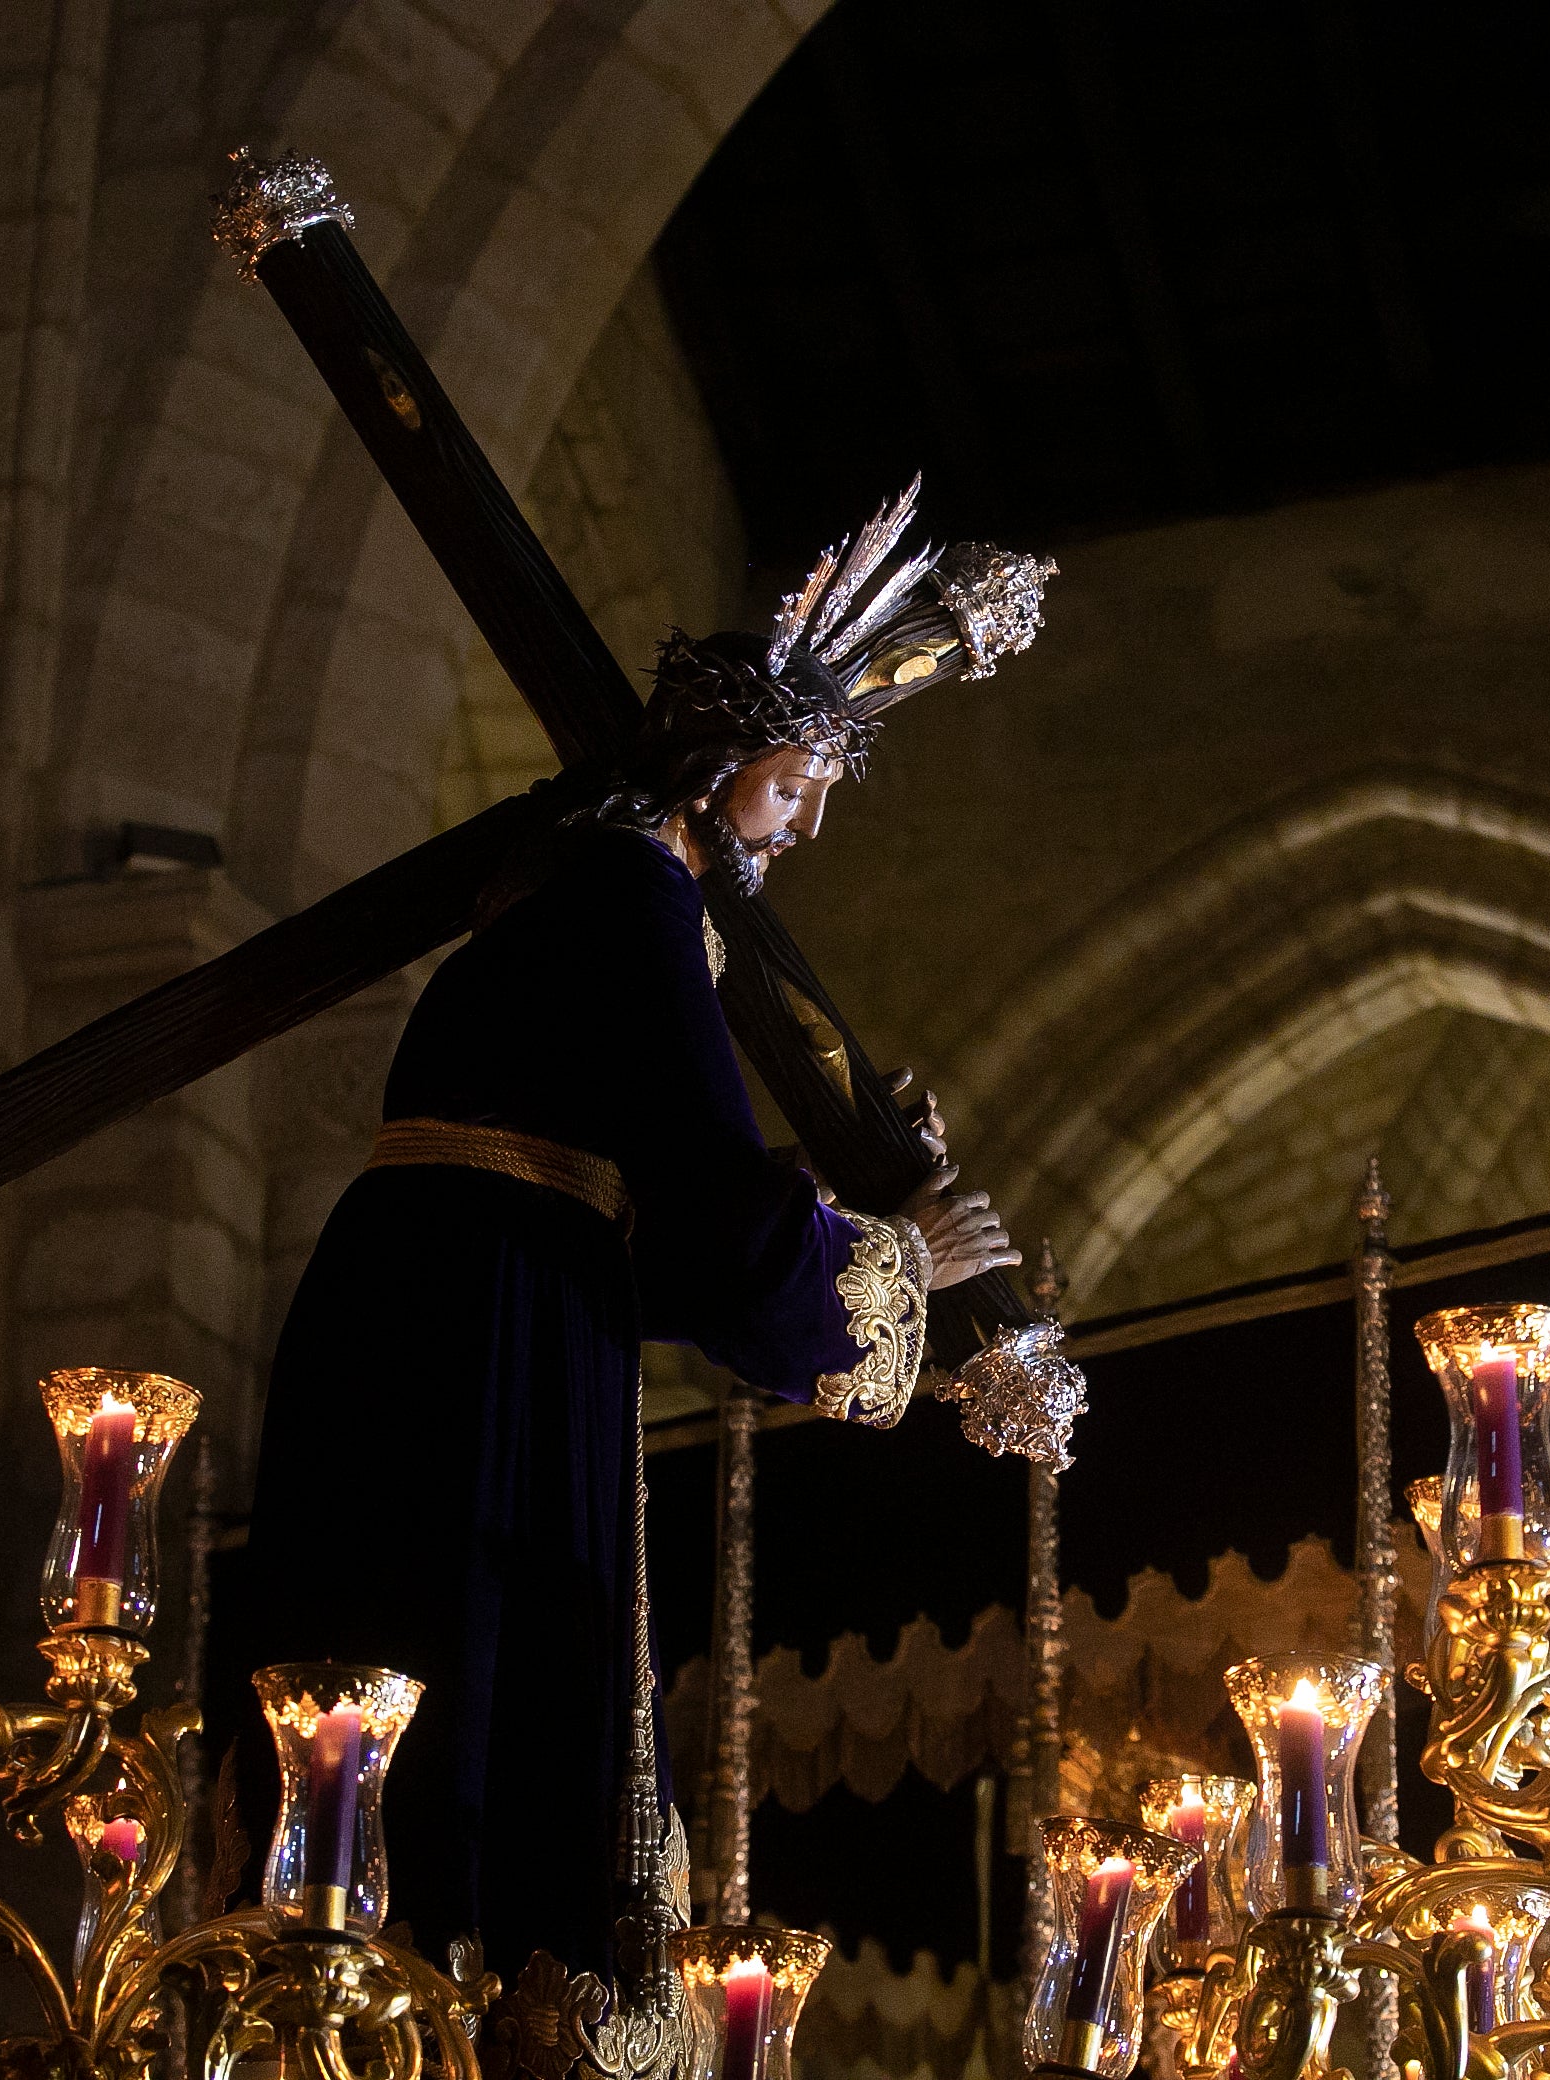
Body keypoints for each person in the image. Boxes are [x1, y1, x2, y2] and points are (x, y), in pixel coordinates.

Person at [211, 483, 1057, 1975]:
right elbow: (715, 1225)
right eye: (794, 789)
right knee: (473, 1682)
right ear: (723, 764)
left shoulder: (580, 900)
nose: (798, 828)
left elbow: (658, 1197)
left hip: (456, 1291)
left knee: (402, 1671)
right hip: (490, 1336)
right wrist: (905, 1253)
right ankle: (432, 1981)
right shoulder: (637, 894)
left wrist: (830, 1202)